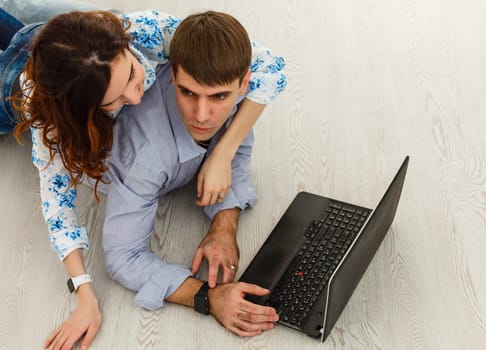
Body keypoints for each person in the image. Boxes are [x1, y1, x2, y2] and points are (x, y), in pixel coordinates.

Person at [0, 4, 286, 350]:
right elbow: (60, 210)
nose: (136, 97)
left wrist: (223, 206)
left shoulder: (147, 31)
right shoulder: (58, 118)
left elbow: (270, 67)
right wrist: (85, 293)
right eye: (116, 99)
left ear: (126, 45)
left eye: (134, 75)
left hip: (54, 38)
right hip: (16, 85)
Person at [100, 10, 282, 339]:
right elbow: (123, 257)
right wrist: (206, 296)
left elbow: (236, 152)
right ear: (171, 74)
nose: (202, 115)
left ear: (244, 85)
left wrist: (224, 226)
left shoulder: (239, 100)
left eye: (219, 97)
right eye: (187, 93)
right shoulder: (144, 159)